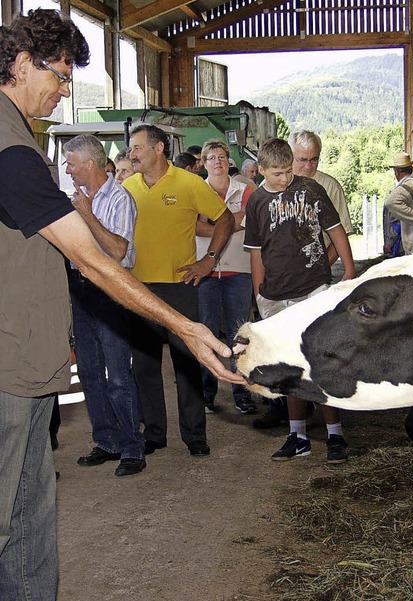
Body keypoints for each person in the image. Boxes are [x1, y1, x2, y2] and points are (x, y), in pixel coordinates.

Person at [0, 9, 241, 600]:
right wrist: (184, 325)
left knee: (31, 515)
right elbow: (95, 260)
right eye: (59, 76)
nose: (63, 91)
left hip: (27, 365)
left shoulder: (17, 138)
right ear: (24, 63)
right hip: (7, 367)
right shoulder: (9, 149)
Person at [123, 124, 236, 458]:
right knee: (144, 366)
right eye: (131, 149)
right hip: (139, 289)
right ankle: (155, 434)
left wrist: (208, 260)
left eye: (138, 148)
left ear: (159, 149)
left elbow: (225, 220)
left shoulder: (189, 184)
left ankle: (195, 436)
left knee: (186, 363)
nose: (132, 154)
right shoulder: (128, 187)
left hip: (180, 287)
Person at [244, 138, 356, 463]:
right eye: (277, 174)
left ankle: (336, 434)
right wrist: (259, 294)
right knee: (289, 365)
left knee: (320, 361)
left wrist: (348, 270)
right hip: (276, 294)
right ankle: (298, 434)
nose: (284, 178)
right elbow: (255, 252)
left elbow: (336, 230)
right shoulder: (257, 202)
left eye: (287, 171)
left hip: (312, 287)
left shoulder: (310, 190)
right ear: (261, 170)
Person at [63, 134, 146, 477]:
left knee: (117, 373)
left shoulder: (119, 198)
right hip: (80, 290)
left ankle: (131, 447)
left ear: (90, 164)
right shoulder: (79, 197)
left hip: (109, 291)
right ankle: (106, 440)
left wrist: (86, 215)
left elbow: (116, 252)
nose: (68, 170)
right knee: (89, 372)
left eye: (71, 163)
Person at [196, 139, 257, 415]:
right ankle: (206, 393)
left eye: (221, 156)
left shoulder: (245, 189)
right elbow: (193, 225)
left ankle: (242, 393)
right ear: (203, 162)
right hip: (205, 270)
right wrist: (228, 225)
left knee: (238, 333)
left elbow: (248, 218)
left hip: (239, 270)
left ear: (228, 160)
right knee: (206, 332)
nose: (217, 161)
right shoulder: (195, 189)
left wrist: (215, 224)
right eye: (211, 157)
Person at [288, 130, 353, 265]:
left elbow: (342, 234)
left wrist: (322, 268)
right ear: (290, 156)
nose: (308, 166)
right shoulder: (273, 184)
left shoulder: (331, 187)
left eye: (314, 159)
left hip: (316, 272)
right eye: (303, 160)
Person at [382, 152, 413, 257]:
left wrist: (389, 242)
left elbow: (397, 220)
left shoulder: (401, 190)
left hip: (401, 243)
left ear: (397, 172)